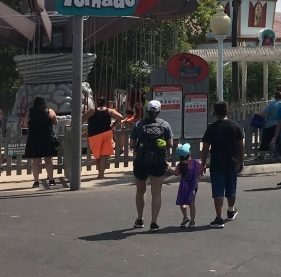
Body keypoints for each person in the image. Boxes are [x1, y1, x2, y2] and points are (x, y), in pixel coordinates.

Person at [200, 101, 245, 228]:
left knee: (218, 190)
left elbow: (205, 148)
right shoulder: (235, 126)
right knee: (231, 188)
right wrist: (241, 161)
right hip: (232, 162)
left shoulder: (212, 128)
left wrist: (203, 163)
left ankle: (218, 218)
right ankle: (231, 210)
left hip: (217, 163)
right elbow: (241, 146)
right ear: (227, 112)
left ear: (215, 113)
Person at [130, 100, 173, 231]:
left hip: (141, 162)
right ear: (159, 111)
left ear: (147, 110)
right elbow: (170, 144)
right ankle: (154, 222)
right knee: (156, 193)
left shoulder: (138, 125)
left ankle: (140, 219)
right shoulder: (165, 125)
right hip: (158, 162)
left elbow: (132, 145)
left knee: (140, 191)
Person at [23, 95, 59, 189]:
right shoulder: (49, 112)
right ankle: (51, 179)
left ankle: (36, 181)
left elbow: (25, 124)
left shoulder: (30, 113)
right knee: (48, 160)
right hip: (47, 138)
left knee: (35, 161)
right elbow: (55, 122)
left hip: (34, 138)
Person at [84, 97, 124, 179]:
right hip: (106, 133)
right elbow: (120, 117)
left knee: (97, 155)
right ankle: (101, 174)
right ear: (105, 103)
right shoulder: (110, 111)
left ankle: (99, 172)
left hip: (94, 135)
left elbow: (82, 119)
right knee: (104, 155)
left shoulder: (92, 110)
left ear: (96, 103)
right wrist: (113, 125)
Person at [173, 143, 200, 228]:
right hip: (193, 186)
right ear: (189, 153)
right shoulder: (195, 162)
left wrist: (168, 168)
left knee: (182, 202)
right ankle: (192, 222)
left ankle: (185, 216)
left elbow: (176, 173)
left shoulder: (180, 165)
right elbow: (200, 172)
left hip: (183, 186)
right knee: (192, 204)